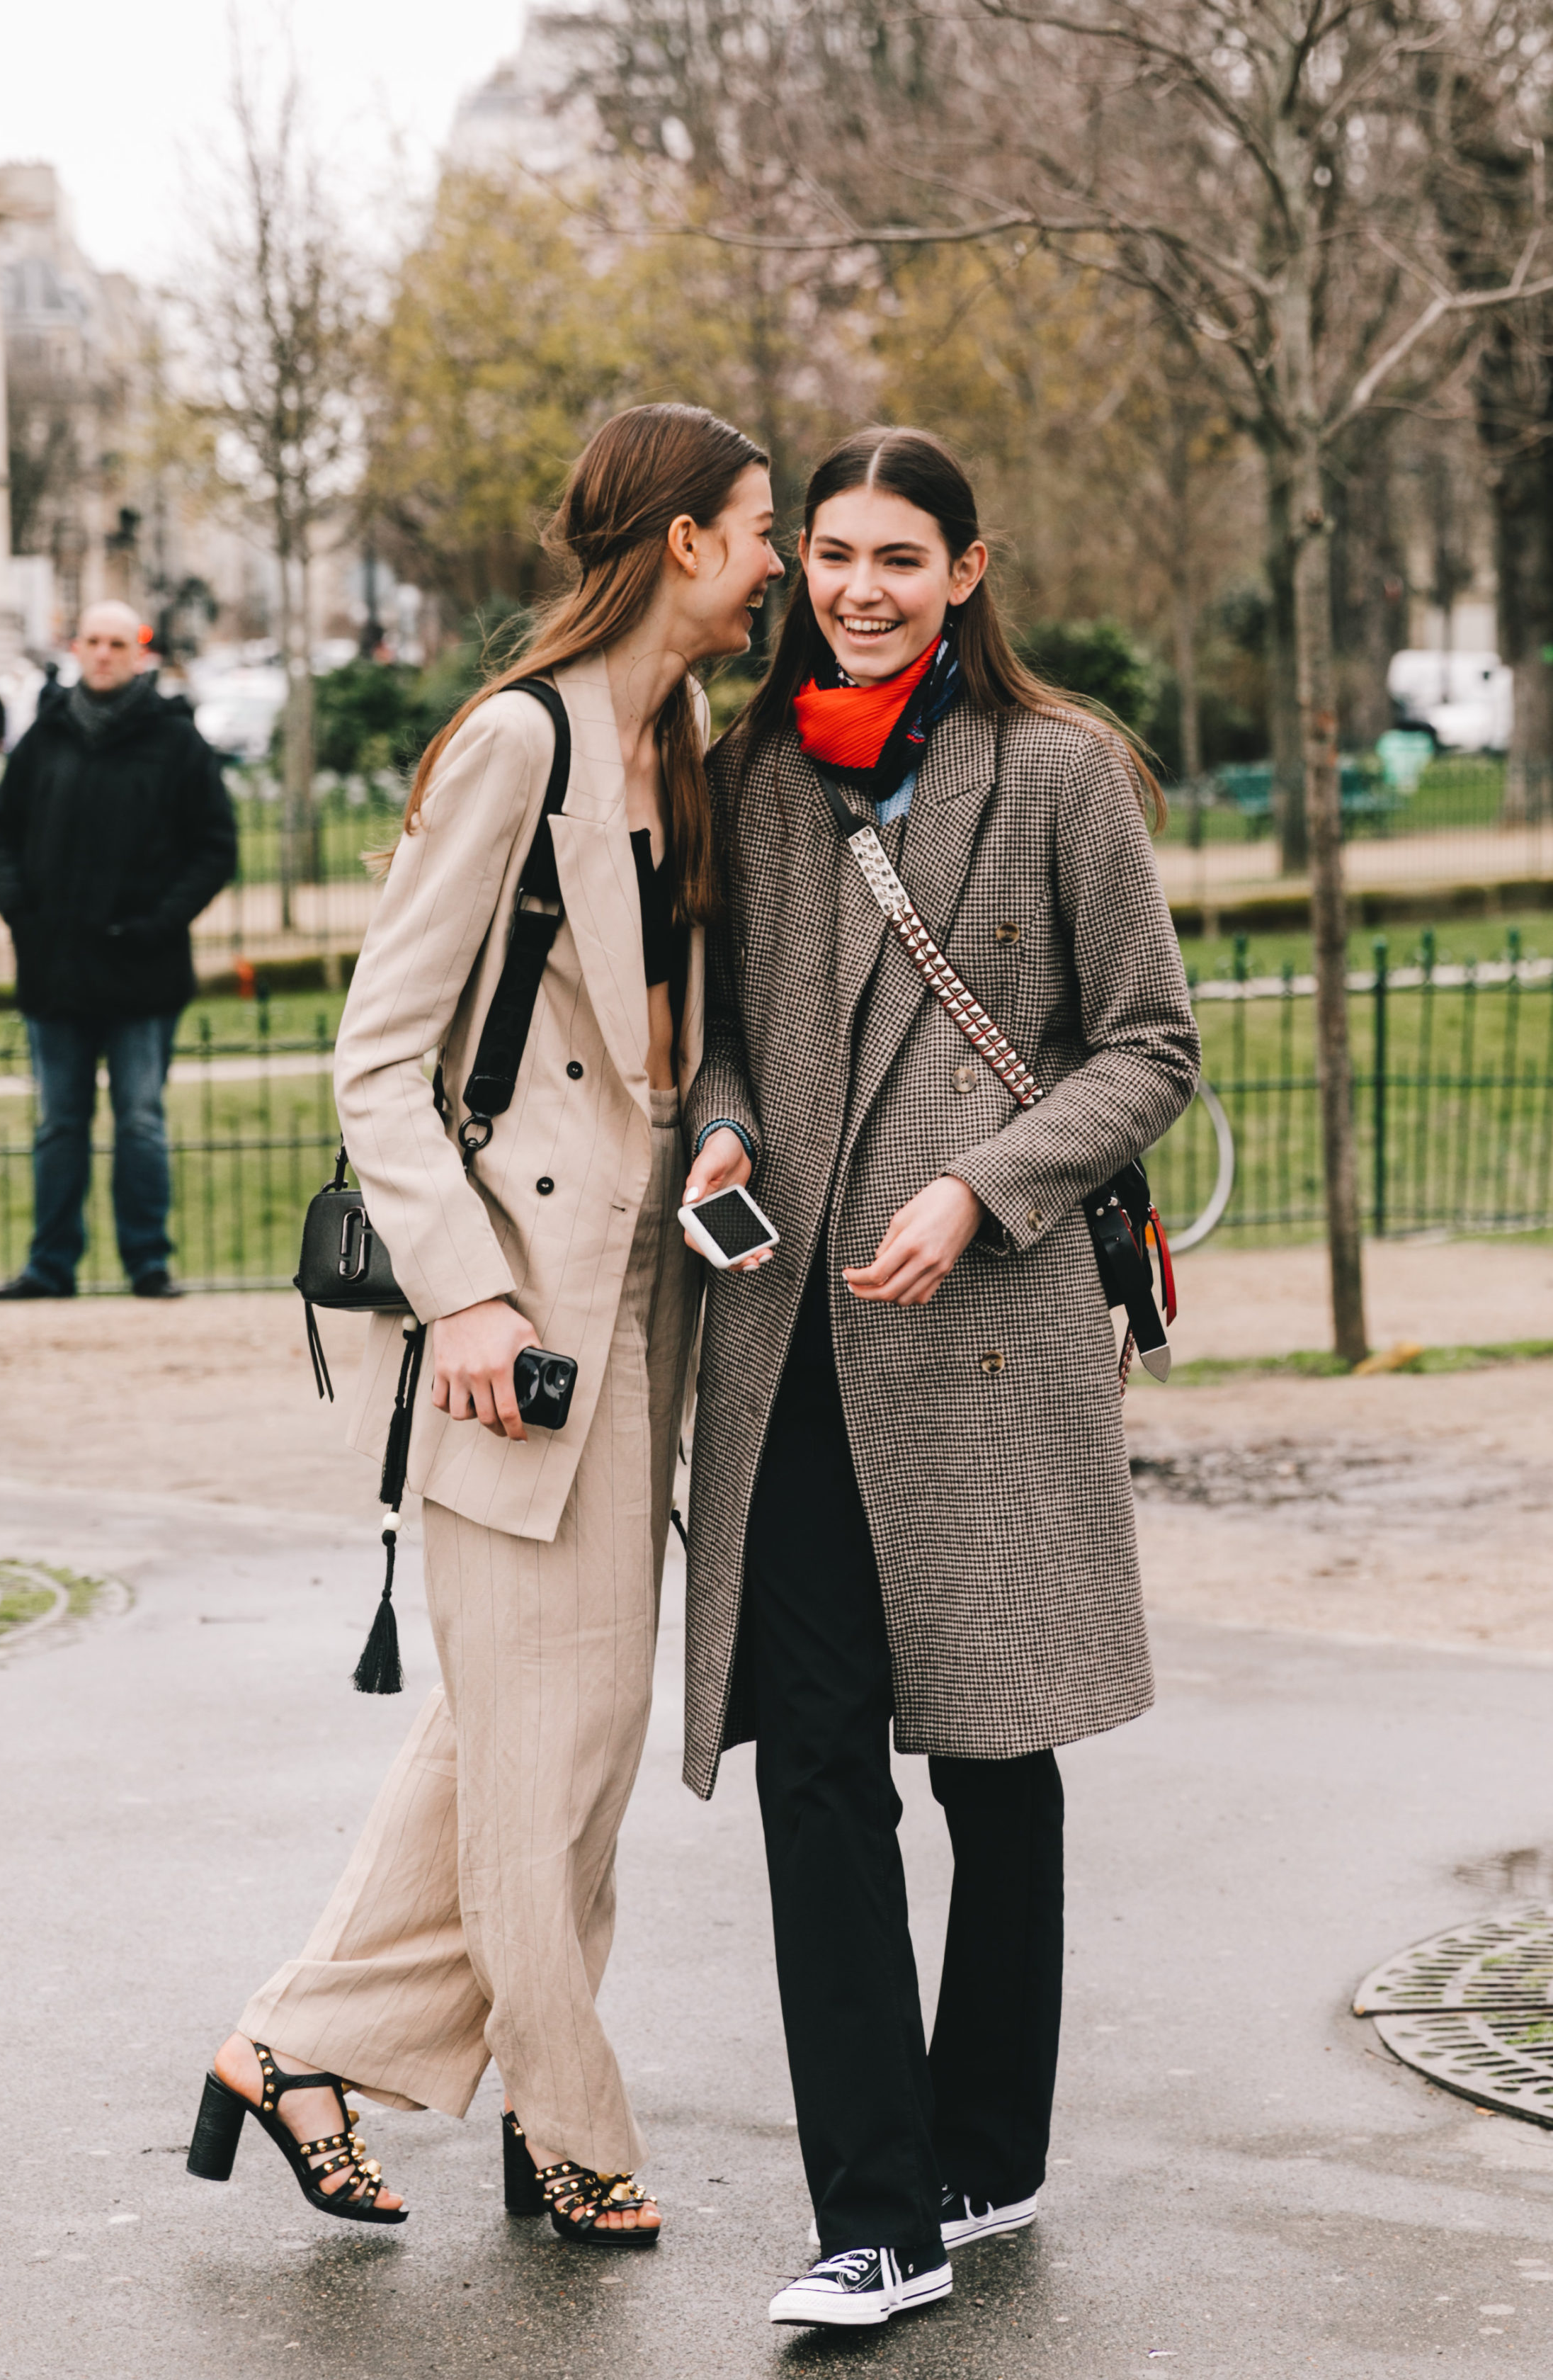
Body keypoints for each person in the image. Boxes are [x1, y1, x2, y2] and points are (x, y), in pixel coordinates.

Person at [188, 405, 784, 2241]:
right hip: (508, 1329)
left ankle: (293, 2047)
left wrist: (710, 1142)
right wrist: (455, 1295)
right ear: (683, 541)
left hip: (635, 1310)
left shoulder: (672, 739)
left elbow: (651, 1045)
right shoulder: (518, 742)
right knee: (554, 1736)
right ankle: (568, 2122)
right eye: (761, 527)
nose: (778, 559)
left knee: (541, 1729)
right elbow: (374, 1059)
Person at [678, 427, 1201, 2329]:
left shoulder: (1059, 775)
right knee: (815, 1768)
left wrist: (986, 1185)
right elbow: (725, 1040)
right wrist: (725, 1136)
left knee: (993, 1750)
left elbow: (1147, 1047)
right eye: (831, 552)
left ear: (968, 573)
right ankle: (873, 2214)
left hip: (979, 1333)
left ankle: (988, 2138)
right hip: (793, 1344)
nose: (861, 586)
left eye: (902, 555)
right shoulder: (750, 776)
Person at [0, 602, 236, 1300]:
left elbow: (216, 846)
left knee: (141, 1121)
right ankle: (49, 1266)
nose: (102, 654)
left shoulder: (175, 741)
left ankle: (147, 1264)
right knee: (59, 1124)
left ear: (139, 653)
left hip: (141, 969)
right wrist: (20, 912)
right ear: (76, 647)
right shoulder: (47, 736)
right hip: (54, 968)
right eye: (91, 641)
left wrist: (160, 921)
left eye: (116, 643)